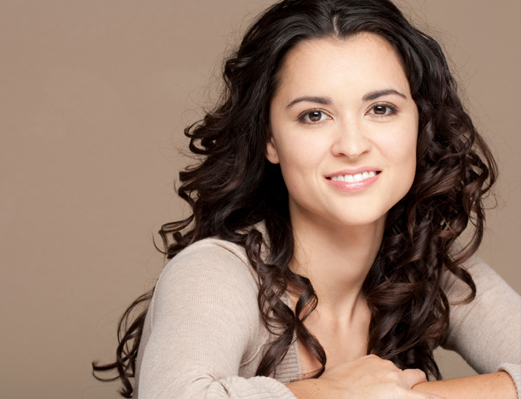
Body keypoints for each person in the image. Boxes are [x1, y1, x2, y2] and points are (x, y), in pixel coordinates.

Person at [93, 0, 521, 398]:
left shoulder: (430, 263)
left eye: (382, 109)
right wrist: (329, 394)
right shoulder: (215, 273)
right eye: (314, 115)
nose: (352, 145)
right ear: (270, 140)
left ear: (419, 123)